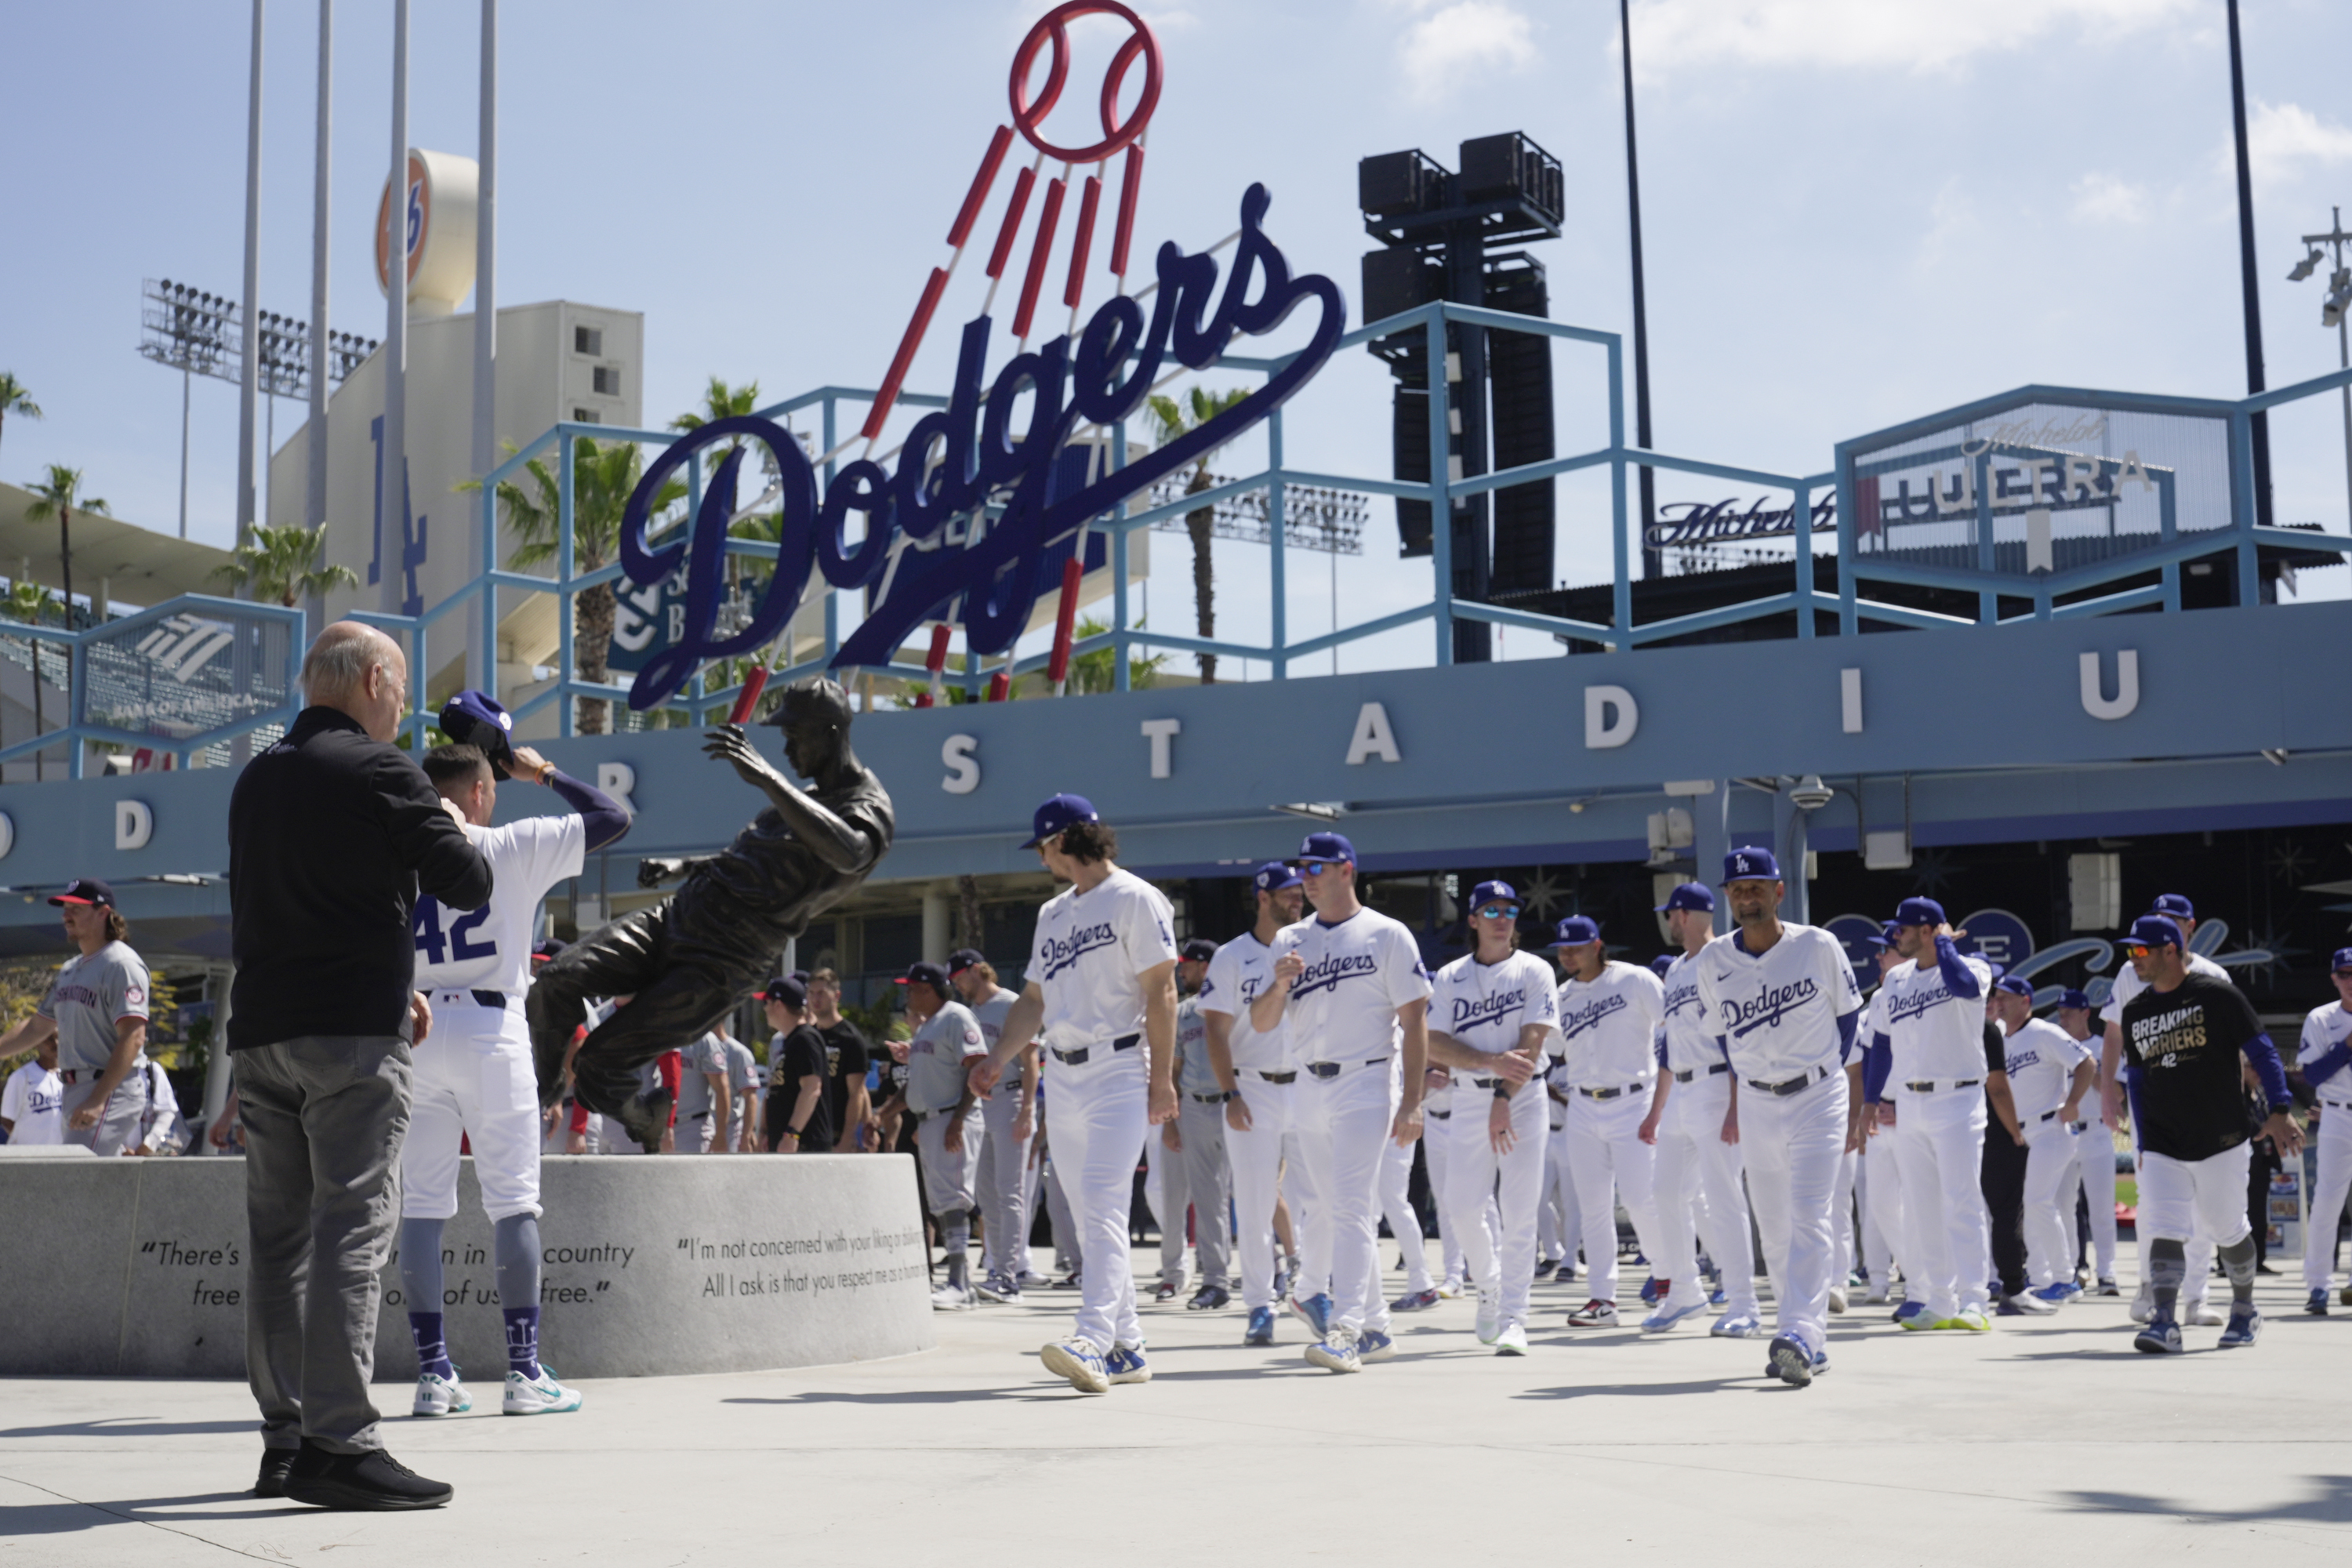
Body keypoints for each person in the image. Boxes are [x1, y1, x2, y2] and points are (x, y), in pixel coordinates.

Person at [227, 621, 492, 1509]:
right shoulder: (383, 769)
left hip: (263, 1033)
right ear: (374, 677)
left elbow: (287, 900)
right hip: (350, 1039)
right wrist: (449, 810)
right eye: (402, 685)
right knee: (351, 1226)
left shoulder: (257, 777)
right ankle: (342, 1441)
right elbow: (466, 881)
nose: (405, 704)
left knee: (276, 1243)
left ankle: (284, 1439)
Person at [527, 681, 893, 1145]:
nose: (784, 747)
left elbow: (851, 852)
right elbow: (744, 859)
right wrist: (681, 866)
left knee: (599, 1062)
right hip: (676, 917)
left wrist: (769, 780)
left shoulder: (867, 806)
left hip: (723, 959)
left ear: (831, 732)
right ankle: (541, 1092)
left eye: (793, 734)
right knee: (558, 979)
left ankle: (644, 1118)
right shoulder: (799, 800)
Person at [398, 728, 628, 1421]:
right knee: (513, 1202)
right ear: (479, 790)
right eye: (490, 785)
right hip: (491, 1027)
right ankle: (523, 1370)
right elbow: (612, 818)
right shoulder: (509, 844)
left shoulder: (397, 856)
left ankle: (435, 1374)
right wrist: (544, 771)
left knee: (421, 1207)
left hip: (414, 1029)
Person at [975, 795, 1178, 1393]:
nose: (1041, 859)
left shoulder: (1136, 898)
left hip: (1118, 1066)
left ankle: (1091, 1338)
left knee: (1103, 1200)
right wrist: (997, 1057)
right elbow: (1034, 1001)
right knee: (1091, 1216)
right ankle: (1129, 1345)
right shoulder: (1054, 913)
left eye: (1042, 847)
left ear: (1062, 841)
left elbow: (1162, 991)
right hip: (1062, 1074)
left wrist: (1161, 1078)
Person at [1249, 831, 1432, 1374]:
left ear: (1347, 870)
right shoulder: (1289, 939)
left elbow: (1416, 1021)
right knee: (1329, 1207)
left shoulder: (1386, 934)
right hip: (1307, 1083)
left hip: (1366, 1081)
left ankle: (1347, 1328)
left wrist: (1413, 1102)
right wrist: (1279, 986)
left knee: (1351, 1205)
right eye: (1303, 867)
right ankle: (1376, 1323)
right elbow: (1260, 1023)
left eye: (1318, 867)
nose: (1307, 876)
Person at [1690, 848, 1864, 1388]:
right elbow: (1722, 1033)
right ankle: (1812, 1338)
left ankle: (1797, 1332)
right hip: (1759, 1101)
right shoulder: (1714, 960)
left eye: (1757, 886)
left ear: (1778, 891)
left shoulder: (1816, 945)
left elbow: (1848, 1017)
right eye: (1738, 889)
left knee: (1810, 1212)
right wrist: (1746, 1089)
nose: (1748, 895)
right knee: (1773, 1223)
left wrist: (1826, 1075)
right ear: (1727, 897)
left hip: (1816, 1093)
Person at [2114, 915, 2301, 1352]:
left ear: (2170, 951)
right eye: (2130, 952)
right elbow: (2138, 1079)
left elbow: (2264, 1052)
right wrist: (2140, 1140)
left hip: (2221, 1137)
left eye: (2142, 951)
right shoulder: (2136, 1009)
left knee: (2227, 1228)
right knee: (2163, 1225)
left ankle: (2244, 1310)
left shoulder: (2216, 995)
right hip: (2162, 1142)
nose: (2134, 960)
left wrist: (2278, 1109)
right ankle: (2164, 1320)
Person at [1422, 880, 1555, 1354]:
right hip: (1468, 1097)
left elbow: (1533, 1043)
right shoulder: (1449, 976)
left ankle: (1515, 1317)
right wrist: (1487, 1065)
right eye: (1491, 909)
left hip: (1523, 1097)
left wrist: (1503, 1092)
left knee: (1521, 1210)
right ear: (1474, 920)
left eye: (1510, 909)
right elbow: (1433, 1043)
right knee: (1460, 1207)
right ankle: (1490, 1285)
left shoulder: (1535, 970)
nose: (1503, 917)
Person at [1200, 861, 1318, 1347]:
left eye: (1300, 892)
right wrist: (1229, 1092)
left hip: (1310, 1084)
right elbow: (1214, 1029)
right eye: (1288, 893)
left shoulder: (1316, 944)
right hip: (1254, 1087)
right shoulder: (1232, 956)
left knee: (1319, 1198)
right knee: (1253, 1201)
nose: (1298, 899)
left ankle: (1313, 1289)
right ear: (1263, 898)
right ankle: (1259, 1304)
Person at [2100, 893, 2227, 1327]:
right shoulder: (2130, 970)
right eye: (2157, 918)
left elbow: (2234, 1046)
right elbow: (2114, 1032)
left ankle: (2196, 1297)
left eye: (2173, 919)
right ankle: (2150, 1285)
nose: (2164, 925)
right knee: (2154, 1198)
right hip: (2149, 1097)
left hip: (2200, 1102)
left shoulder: (2213, 975)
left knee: (2200, 1202)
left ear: (2191, 926)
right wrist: (2106, 1089)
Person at [1642, 882, 1762, 1338]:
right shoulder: (1674, 970)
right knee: (1665, 1192)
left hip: (1717, 1086)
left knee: (1724, 1196)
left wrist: (1736, 1103)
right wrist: (1656, 1111)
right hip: (1681, 1092)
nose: (1668, 921)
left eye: (1671, 914)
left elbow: (1737, 1034)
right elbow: (1672, 1045)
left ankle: (1743, 1302)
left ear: (1687, 915)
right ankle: (1685, 1291)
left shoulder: (1724, 958)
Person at [1877, 897, 2000, 1334]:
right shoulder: (1895, 979)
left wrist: (1947, 946)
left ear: (1929, 931)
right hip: (1910, 1101)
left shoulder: (1974, 966)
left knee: (1962, 1202)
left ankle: (1975, 1301)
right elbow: (1883, 1045)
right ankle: (1939, 1298)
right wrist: (1875, 1101)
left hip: (1958, 1098)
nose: (1896, 936)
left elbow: (1965, 987)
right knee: (1922, 1206)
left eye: (1904, 929)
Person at [1551, 914, 1668, 1330]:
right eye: (1562, 949)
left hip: (1633, 1101)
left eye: (1575, 948)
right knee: (1594, 1206)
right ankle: (1603, 1298)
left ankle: (1669, 1280)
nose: (1566, 955)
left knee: (1641, 1199)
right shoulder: (1561, 996)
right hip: (1582, 1104)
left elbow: (1674, 1030)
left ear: (1597, 945)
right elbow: (1551, 1047)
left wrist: (1663, 1102)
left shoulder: (1635, 980)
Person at [0, 879, 151, 1156]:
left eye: (76, 909)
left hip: (109, 1088)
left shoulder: (122, 964)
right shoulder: (71, 969)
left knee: (74, 1183)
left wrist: (98, 1099)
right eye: (65, 908)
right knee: (87, 1186)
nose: (66, 916)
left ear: (103, 912)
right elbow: (37, 1027)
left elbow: (134, 1035)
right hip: (74, 1089)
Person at [1991, 977, 2096, 1303]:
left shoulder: (2044, 1032)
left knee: (2039, 1202)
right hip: (2018, 1133)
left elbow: (2087, 1063)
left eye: (2007, 997)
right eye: (1998, 997)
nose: (2000, 1002)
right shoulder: (1997, 1037)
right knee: (2029, 1207)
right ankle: (2041, 1277)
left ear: (2026, 1001)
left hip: (2052, 1128)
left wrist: (2074, 1101)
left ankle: (2066, 1278)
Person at [899, 960, 989, 1308]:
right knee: (941, 1202)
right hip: (932, 1120)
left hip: (953, 1117)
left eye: (912, 988)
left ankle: (958, 1284)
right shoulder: (927, 1026)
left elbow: (977, 1070)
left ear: (928, 990)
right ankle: (960, 1281)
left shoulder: (955, 1017)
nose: (908, 994)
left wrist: (957, 1120)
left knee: (953, 1201)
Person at [955, 949, 1036, 1300]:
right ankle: (996, 1268)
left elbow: (1031, 1061)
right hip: (981, 1103)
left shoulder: (1011, 1003)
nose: (956, 984)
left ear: (976, 971)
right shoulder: (971, 1013)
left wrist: (1028, 1110)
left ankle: (1010, 1275)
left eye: (959, 976)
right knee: (986, 1195)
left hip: (1010, 1098)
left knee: (1010, 1192)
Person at [1162, 938, 1235, 1311]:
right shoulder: (1183, 1012)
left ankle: (1276, 1270)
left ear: (1205, 966)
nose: (1182, 970)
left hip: (1234, 1107)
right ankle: (1215, 1281)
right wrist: (1171, 1123)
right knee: (1208, 1200)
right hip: (1194, 1108)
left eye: (1188, 964)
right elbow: (1174, 1072)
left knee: (1260, 1196)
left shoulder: (1236, 1003)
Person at [2054, 989, 2121, 1296]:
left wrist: (2089, 1068)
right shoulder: (2055, 1045)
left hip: (2096, 1131)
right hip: (2063, 1132)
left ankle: (2107, 1273)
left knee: (2102, 1208)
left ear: (2085, 1013)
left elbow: (2119, 1094)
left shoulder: (2101, 1047)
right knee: (2063, 1206)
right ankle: (2068, 1271)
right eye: (2060, 1012)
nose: (2063, 1017)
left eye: (2069, 1012)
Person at [2296, 949, 2352, 1316]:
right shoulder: (2322, 1018)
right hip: (2338, 1115)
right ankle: (2318, 1285)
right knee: (2327, 1202)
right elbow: (2310, 1075)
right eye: (2345, 974)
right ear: (2334, 978)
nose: (2351, 980)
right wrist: (2346, 1048)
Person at [806, 969, 873, 1154]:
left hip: (835, 1134)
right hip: (807, 1132)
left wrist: (847, 1138)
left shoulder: (850, 1039)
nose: (815, 999)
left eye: (821, 993)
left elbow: (857, 1093)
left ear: (837, 996)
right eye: (811, 993)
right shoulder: (808, 1037)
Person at [764, 977, 830, 1152]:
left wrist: (792, 1134)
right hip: (789, 1144)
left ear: (778, 1005)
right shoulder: (791, 1040)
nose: (765, 1009)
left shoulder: (805, 1039)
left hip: (804, 1144)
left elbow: (812, 1088)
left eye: (766, 1003)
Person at [677, 1029, 735, 1153]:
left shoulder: (703, 1038)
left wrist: (720, 1134)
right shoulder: (655, 1034)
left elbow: (722, 1088)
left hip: (693, 1126)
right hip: (656, 1126)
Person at [0, 1035, 64, 1145]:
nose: (56, 1043)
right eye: (49, 1039)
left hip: (63, 1154)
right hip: (30, 1156)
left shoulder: (70, 1075)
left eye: (59, 1037)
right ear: (37, 1042)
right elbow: (7, 1120)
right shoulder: (22, 1076)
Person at [136, 1056, 187, 1156]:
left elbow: (167, 1111)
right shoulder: (102, 1069)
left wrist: (149, 1144)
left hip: (147, 1154)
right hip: (111, 1152)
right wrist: (122, 1150)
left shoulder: (149, 1069)